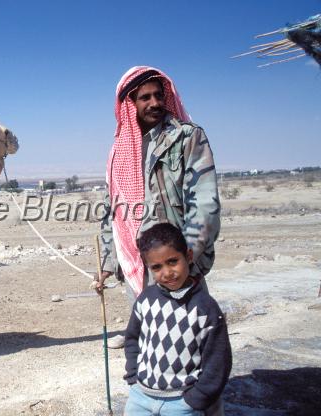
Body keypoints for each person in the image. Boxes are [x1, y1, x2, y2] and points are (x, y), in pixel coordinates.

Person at [95, 66, 220, 348]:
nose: (154, 103)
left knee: (190, 341)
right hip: (137, 262)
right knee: (151, 343)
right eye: (144, 97)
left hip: (175, 259)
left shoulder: (187, 138)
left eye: (158, 95)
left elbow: (204, 202)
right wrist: (106, 262)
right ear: (130, 104)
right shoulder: (119, 150)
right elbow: (112, 211)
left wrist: (187, 256)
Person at [123, 223, 231, 415]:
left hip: (182, 402)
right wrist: (133, 376)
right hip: (141, 396)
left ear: (188, 256)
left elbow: (218, 360)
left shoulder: (205, 308)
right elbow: (132, 339)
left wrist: (197, 398)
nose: (167, 272)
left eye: (173, 261)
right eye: (156, 267)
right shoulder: (145, 300)